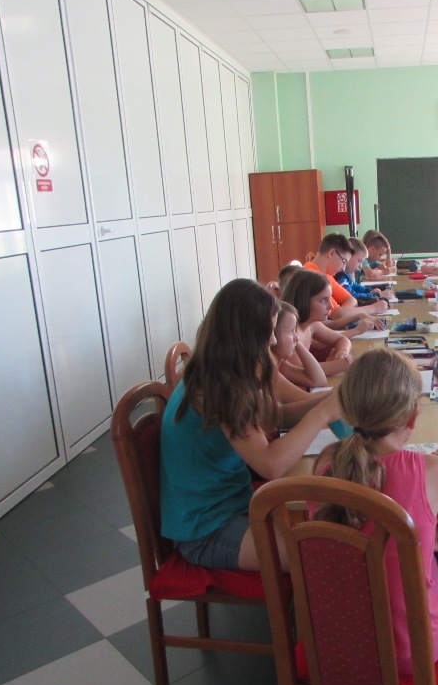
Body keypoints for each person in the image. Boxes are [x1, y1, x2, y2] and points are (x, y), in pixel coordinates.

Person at [313, 347, 438, 674]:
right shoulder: (433, 471)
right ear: (412, 417)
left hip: (337, 639)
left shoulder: (326, 462)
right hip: (412, 650)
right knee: (424, 569)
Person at [159, 279, 341, 572]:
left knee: (334, 526)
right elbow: (271, 465)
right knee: (326, 555)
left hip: (234, 503)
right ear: (247, 334)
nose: (272, 341)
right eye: (269, 331)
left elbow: (275, 416)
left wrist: (331, 399)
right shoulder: (220, 387)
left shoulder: (222, 369)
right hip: (206, 528)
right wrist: (321, 415)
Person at [304, 233, 389, 323]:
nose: (343, 268)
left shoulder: (327, 275)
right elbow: (338, 315)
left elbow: (351, 300)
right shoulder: (312, 276)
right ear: (331, 253)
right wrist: (373, 308)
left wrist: (345, 313)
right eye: (344, 261)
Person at [272, 301, 327, 391]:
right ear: (273, 333)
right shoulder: (270, 369)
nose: (297, 337)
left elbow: (319, 380)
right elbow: (308, 396)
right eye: (291, 331)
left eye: (295, 330)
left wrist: (296, 342)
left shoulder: (281, 364)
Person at [335, 238, 394, 305]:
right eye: (359, 261)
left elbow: (356, 286)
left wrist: (369, 290)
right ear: (349, 256)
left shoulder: (346, 274)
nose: (360, 266)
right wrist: (377, 295)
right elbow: (353, 296)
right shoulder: (340, 276)